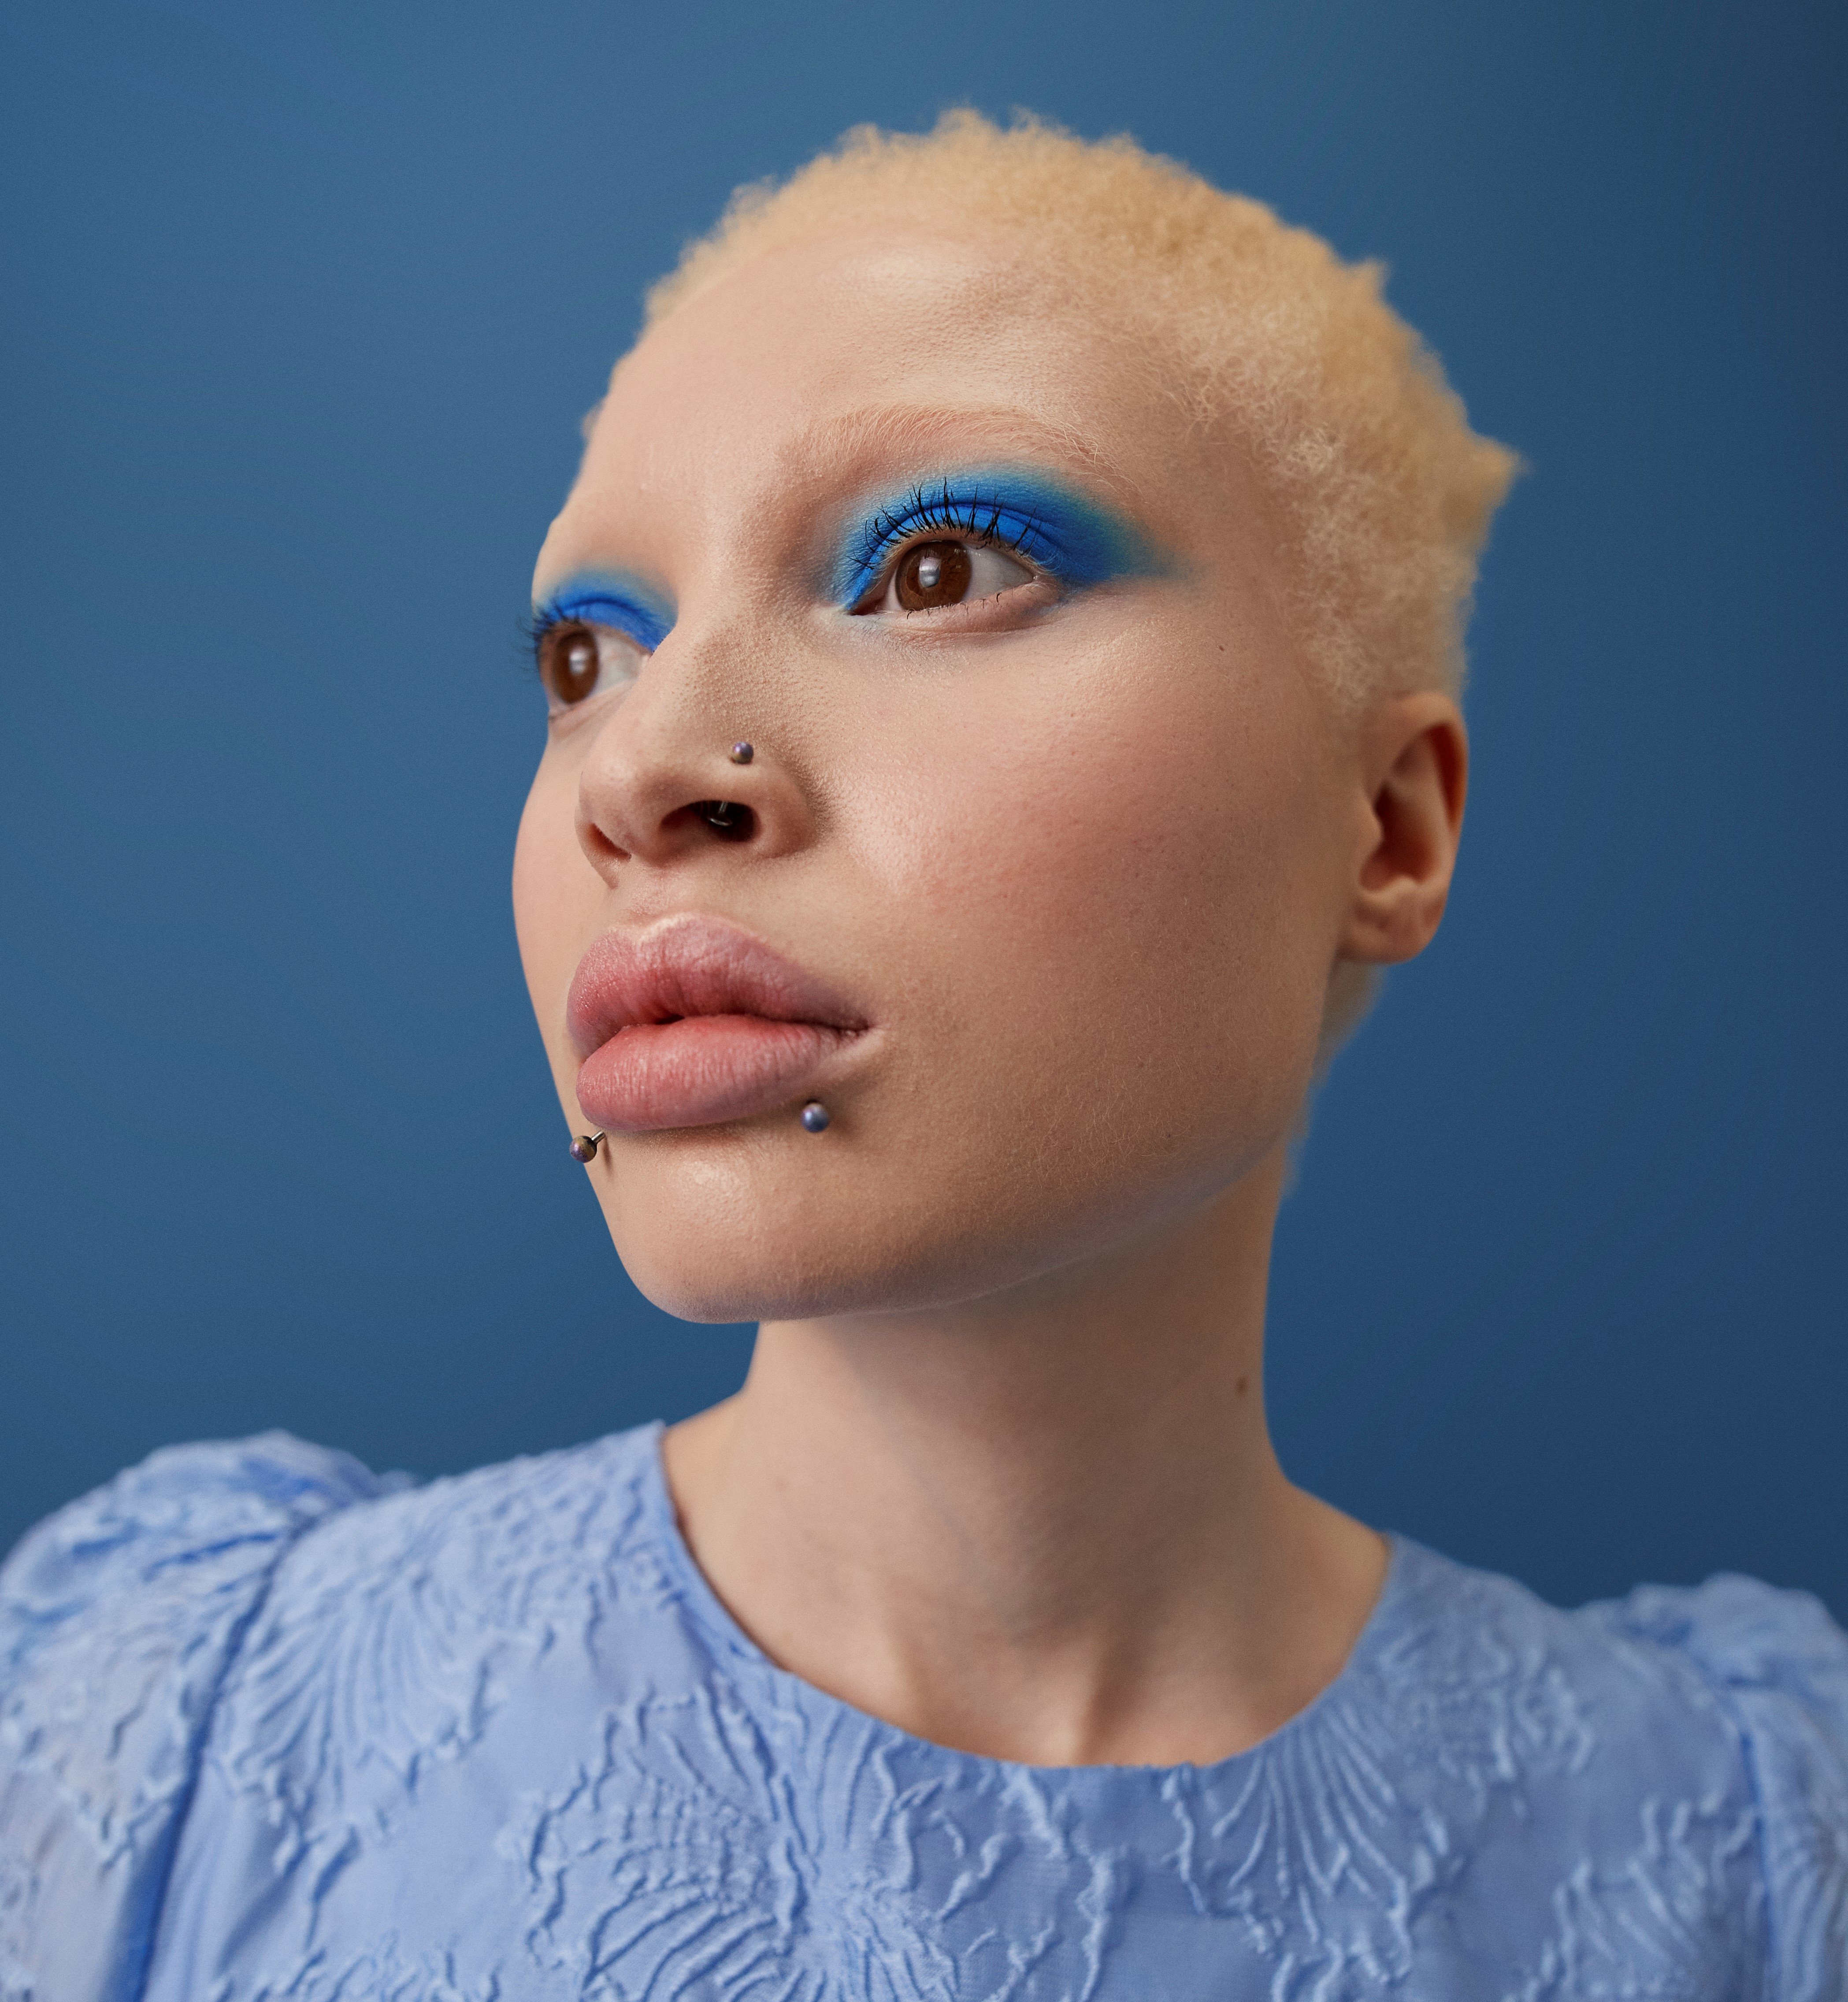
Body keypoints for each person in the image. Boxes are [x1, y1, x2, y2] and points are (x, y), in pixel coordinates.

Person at [3, 111, 1844, 1999]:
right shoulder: (177, 1744)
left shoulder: (1749, 1855)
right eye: (585, 655)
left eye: (936, 564)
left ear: (1381, 826)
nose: (638, 773)